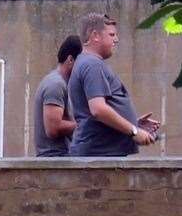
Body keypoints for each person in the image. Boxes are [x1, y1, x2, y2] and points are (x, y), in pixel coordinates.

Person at [68, 12, 161, 156]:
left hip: (100, 153)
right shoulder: (92, 65)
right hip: (98, 156)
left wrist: (133, 122)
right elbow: (98, 109)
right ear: (95, 36)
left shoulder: (86, 62)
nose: (116, 40)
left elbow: (93, 115)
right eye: (111, 35)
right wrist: (134, 131)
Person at [33, 35, 83, 157]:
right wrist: (84, 125)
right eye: (83, 62)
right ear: (70, 60)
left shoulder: (65, 84)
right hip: (54, 162)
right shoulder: (55, 85)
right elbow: (52, 128)